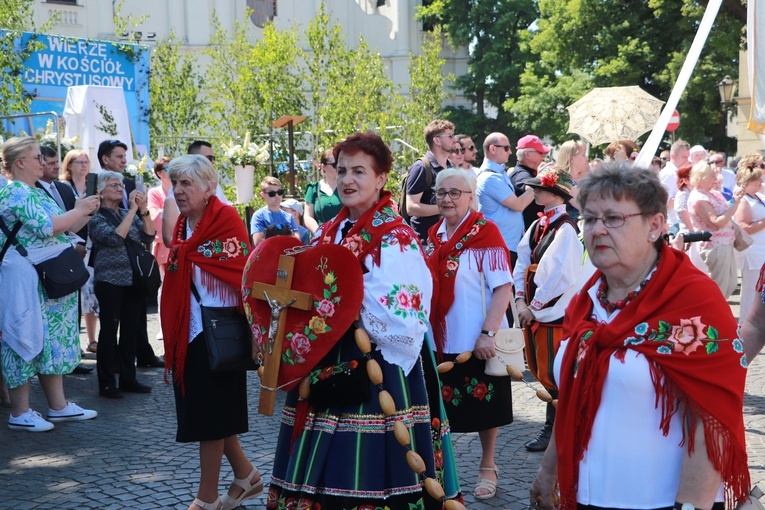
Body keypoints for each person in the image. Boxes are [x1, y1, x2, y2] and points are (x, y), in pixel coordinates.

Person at [530, 163, 750, 510]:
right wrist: (548, 469)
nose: (598, 230)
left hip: (661, 501)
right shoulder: (584, 302)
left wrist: (690, 507)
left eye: (613, 218)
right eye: (589, 219)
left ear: (655, 226)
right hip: (586, 496)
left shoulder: (695, 303)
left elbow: (712, 420)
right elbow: (571, 397)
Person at [267, 132, 452, 509]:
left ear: (381, 178)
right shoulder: (330, 229)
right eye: (342, 170)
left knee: (371, 461)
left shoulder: (395, 236)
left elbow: (407, 311)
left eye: (359, 171)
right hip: (326, 356)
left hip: (378, 363)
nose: (348, 180)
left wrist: (338, 301)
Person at [161, 155, 261, 510]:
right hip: (190, 331)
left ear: (208, 187)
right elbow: (180, 263)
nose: (179, 191)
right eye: (176, 184)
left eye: (187, 184)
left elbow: (241, 272)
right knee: (212, 413)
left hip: (219, 330)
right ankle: (246, 475)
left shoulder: (226, 218)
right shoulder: (184, 226)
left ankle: (206, 499)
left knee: (211, 417)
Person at [425, 167, 513, 500]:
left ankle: (488, 466)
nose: (447, 199)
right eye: (441, 193)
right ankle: (441, 470)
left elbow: (503, 287)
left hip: (476, 335)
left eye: (454, 193)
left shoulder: (485, 233)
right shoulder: (435, 234)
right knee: (440, 408)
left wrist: (488, 333)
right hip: (442, 338)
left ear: (470, 196)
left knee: (485, 407)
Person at [0, 137, 100, 432]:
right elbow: (47, 227)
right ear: (20, 163)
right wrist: (79, 210)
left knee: (50, 341)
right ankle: (20, 412)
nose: (42, 162)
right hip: (27, 276)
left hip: (47, 277)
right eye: (36, 157)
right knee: (23, 336)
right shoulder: (16, 192)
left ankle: (58, 406)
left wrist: (85, 209)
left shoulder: (35, 190)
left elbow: (66, 226)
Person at [512, 165, 583, 453]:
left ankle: (555, 430)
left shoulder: (565, 228)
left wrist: (535, 306)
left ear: (555, 194)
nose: (534, 191)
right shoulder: (538, 224)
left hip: (553, 313)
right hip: (535, 308)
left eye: (540, 188)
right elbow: (521, 260)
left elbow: (561, 277)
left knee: (555, 372)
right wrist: (519, 298)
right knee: (545, 369)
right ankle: (556, 429)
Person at [89, 171, 156, 398]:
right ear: (100, 191)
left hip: (134, 280)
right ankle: (107, 384)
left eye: (121, 185)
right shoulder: (96, 217)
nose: (120, 188)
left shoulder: (130, 212)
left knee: (131, 332)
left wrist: (144, 209)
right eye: (114, 185)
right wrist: (134, 212)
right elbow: (116, 238)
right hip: (109, 281)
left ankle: (129, 378)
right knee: (109, 331)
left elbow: (149, 236)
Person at [475, 132, 535, 264]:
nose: (510, 152)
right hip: (500, 246)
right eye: (506, 148)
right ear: (493, 149)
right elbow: (518, 205)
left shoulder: (498, 173)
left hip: (505, 244)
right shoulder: (490, 177)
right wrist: (538, 182)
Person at [688, 160, 743, 299]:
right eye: (711, 176)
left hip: (726, 243)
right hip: (715, 245)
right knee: (719, 288)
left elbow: (726, 212)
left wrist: (735, 200)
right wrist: (735, 204)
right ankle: (712, 317)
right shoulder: (699, 198)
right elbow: (716, 223)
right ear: (701, 178)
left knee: (731, 283)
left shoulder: (712, 193)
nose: (715, 178)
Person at [405, 119, 455, 243]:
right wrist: (445, 208)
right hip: (425, 243)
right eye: (450, 136)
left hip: (447, 240)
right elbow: (411, 207)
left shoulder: (451, 167)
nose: (454, 139)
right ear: (437, 140)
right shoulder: (421, 167)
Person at [734, 154, 765, 324]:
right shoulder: (744, 200)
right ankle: (744, 331)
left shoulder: (758, 197)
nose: (761, 182)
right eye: (758, 180)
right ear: (748, 182)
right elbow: (744, 227)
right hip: (753, 254)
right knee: (750, 294)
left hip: (761, 253)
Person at [147, 157, 172, 341]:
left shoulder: (181, 188)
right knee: (164, 286)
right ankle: (163, 325)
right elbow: (154, 217)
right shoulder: (155, 192)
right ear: (159, 173)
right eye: (167, 168)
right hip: (163, 242)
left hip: (180, 241)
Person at [508, 134, 551, 229]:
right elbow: (529, 188)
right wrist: (541, 176)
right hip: (527, 233)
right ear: (527, 155)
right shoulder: (520, 174)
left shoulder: (529, 172)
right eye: (540, 152)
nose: (544, 155)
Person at [249, 176, 300, 246]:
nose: (277, 196)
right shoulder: (258, 216)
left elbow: (297, 241)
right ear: (263, 195)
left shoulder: (289, 217)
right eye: (272, 193)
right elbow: (258, 243)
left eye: (280, 192)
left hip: (286, 256)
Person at [303, 149, 342, 233]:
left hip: (343, 235)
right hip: (320, 236)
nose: (339, 167)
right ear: (323, 167)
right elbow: (308, 216)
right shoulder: (313, 188)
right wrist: (318, 232)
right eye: (335, 164)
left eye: (340, 163)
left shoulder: (347, 187)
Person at [659, 139, 691, 229]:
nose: (687, 160)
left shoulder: (680, 172)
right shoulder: (668, 174)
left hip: (683, 223)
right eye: (684, 157)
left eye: (688, 157)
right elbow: (662, 204)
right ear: (673, 156)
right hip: (674, 225)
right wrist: (682, 197)